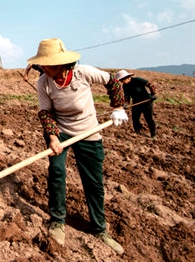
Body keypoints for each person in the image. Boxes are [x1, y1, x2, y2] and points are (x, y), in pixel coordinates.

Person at [27, 38, 128, 255]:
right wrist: (53, 138)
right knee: (56, 171)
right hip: (60, 131)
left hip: (89, 130)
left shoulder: (83, 73)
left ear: (61, 63)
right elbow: (46, 113)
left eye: (47, 64)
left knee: (93, 182)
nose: (43, 68)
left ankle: (100, 229)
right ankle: (57, 221)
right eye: (42, 64)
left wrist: (118, 107)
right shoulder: (43, 82)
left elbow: (113, 81)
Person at [115, 70, 157, 139]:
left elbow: (150, 85)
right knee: (135, 119)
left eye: (121, 80)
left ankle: (153, 135)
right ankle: (137, 132)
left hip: (146, 102)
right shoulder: (125, 86)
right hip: (136, 103)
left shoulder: (137, 80)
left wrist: (153, 94)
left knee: (149, 119)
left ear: (126, 78)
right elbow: (127, 96)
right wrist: (126, 104)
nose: (121, 82)